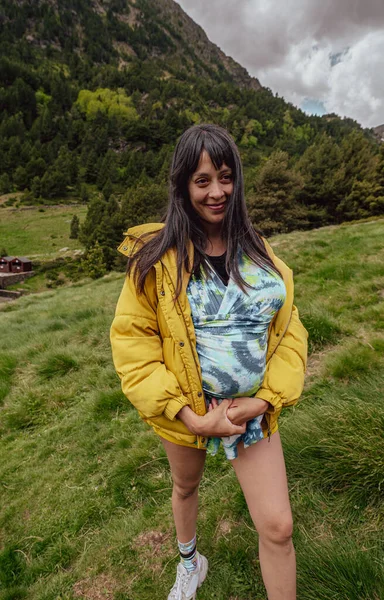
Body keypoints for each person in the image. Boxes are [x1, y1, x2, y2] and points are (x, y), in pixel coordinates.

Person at [110, 123, 308, 600]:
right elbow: (134, 348)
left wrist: (262, 401)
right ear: (183, 185)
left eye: (225, 176)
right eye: (202, 180)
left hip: (249, 414)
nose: (217, 191)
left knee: (279, 527)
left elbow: (290, 333)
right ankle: (189, 561)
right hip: (186, 409)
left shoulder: (261, 253)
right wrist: (192, 419)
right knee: (185, 487)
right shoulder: (155, 259)